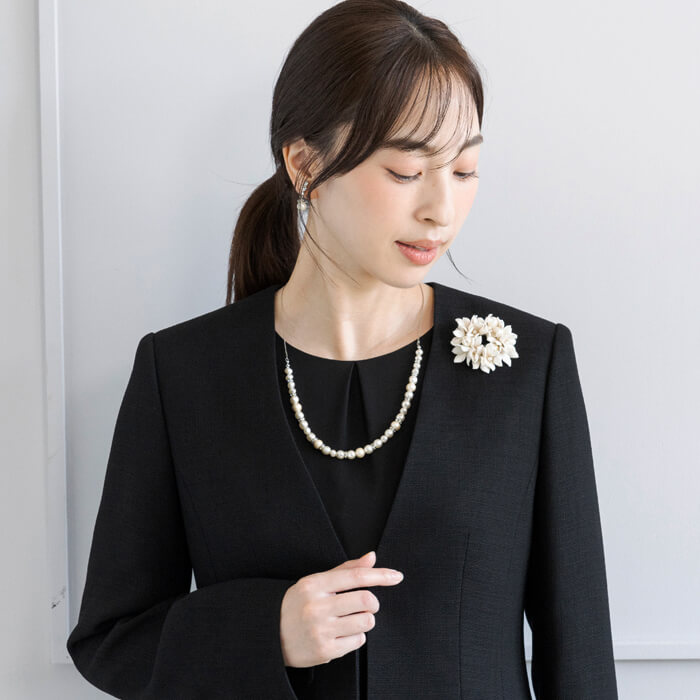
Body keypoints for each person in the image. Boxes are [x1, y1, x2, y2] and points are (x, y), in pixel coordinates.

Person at [66, 0, 618, 698]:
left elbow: (581, 663)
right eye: (406, 171)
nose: (441, 210)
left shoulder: (531, 366)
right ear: (305, 165)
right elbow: (111, 640)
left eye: (465, 170)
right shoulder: (182, 374)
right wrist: (265, 631)